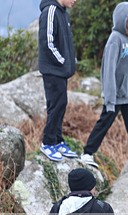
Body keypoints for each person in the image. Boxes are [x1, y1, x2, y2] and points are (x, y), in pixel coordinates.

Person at [80, 2, 128, 172]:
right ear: (122, 18)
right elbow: (108, 70)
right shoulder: (115, 39)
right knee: (104, 122)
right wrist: (109, 96)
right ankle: (87, 153)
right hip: (116, 94)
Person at [37, 0, 79, 162]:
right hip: (53, 70)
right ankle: (47, 143)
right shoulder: (50, 11)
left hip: (60, 71)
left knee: (61, 104)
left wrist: (69, 62)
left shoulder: (63, 13)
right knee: (56, 105)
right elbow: (47, 42)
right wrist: (63, 61)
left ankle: (57, 140)